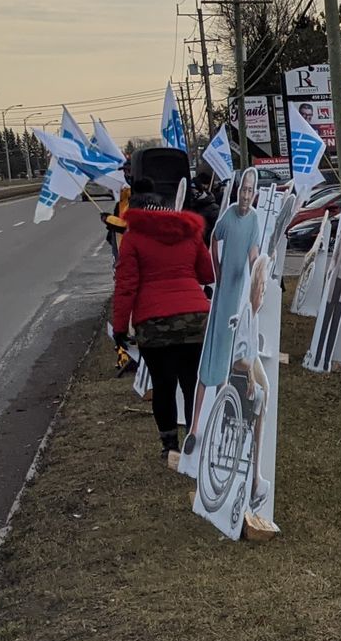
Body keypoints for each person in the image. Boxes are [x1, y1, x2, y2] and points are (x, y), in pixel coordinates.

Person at [110, 186, 214, 459]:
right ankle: (197, 442)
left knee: (163, 385)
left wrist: (119, 327)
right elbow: (206, 273)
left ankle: (170, 446)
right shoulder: (190, 233)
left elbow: (126, 287)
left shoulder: (133, 239)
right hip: (196, 319)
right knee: (193, 383)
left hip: (154, 323)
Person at [184, 173, 264, 455]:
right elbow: (214, 240)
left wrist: (257, 271)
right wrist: (217, 270)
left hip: (238, 295)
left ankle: (217, 422)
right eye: (243, 190)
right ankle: (193, 428)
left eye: (250, 192)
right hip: (221, 298)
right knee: (209, 363)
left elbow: (254, 254)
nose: (246, 196)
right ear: (238, 191)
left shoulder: (254, 219)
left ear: (254, 194)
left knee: (228, 364)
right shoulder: (229, 215)